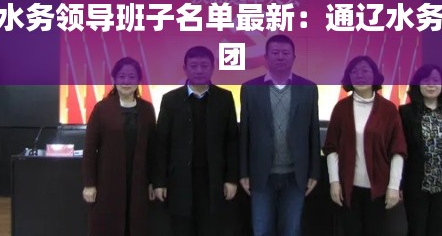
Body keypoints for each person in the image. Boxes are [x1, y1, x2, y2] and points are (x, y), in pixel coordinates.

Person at [239, 34, 320, 236]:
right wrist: (243, 172)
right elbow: (244, 134)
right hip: (261, 175)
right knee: (261, 230)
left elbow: (313, 132)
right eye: (275, 53)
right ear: (266, 57)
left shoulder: (308, 88)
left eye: (285, 53)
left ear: (294, 57)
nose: (280, 57)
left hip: (295, 175)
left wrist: (314, 172)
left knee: (292, 230)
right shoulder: (250, 88)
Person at [153, 46, 239, 236]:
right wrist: (160, 182)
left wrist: (231, 179)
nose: (199, 70)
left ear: (213, 68)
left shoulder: (224, 98)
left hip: (213, 180)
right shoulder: (170, 100)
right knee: (182, 229)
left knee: (211, 229)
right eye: (194, 66)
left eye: (204, 66)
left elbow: (232, 141)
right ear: (185, 68)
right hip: (180, 181)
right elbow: (162, 144)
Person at [323, 55, 407, 236]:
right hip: (348, 188)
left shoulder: (388, 109)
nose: (359, 75)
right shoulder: (341, 108)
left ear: (375, 76)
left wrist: (394, 186)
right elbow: (331, 148)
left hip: (378, 189)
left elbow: (398, 150)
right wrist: (334, 182)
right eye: (354, 72)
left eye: (365, 71)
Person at [82, 57, 156, 236]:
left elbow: (153, 150)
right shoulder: (102, 109)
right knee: (108, 226)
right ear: (114, 79)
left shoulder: (147, 109)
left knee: (135, 225)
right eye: (121, 76)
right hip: (108, 181)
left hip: (138, 181)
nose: (126, 82)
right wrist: (89, 184)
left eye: (131, 77)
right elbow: (90, 149)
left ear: (138, 80)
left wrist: (153, 182)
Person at [399, 64, 442, 236]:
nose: (431, 85)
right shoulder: (406, 112)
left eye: (436, 80)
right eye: (426, 80)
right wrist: (398, 184)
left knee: (437, 230)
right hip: (416, 185)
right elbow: (401, 151)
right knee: (416, 230)